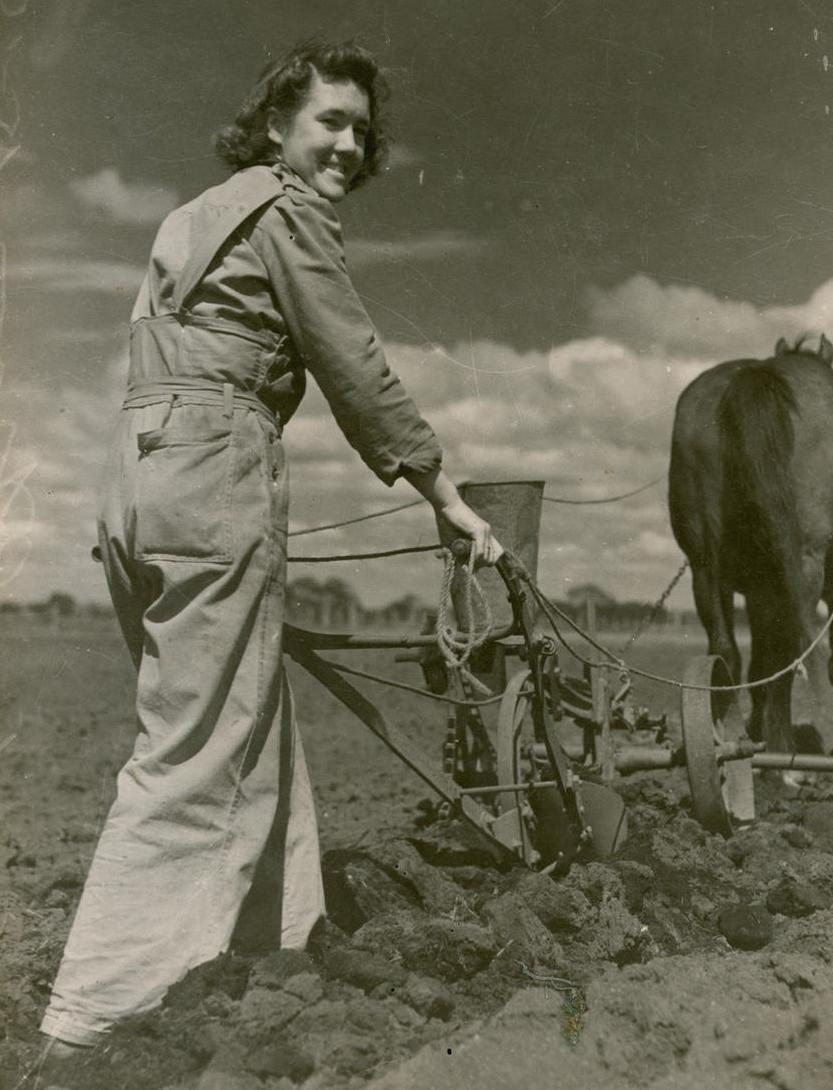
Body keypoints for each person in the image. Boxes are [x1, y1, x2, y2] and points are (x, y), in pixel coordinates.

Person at [38, 37, 500, 1068]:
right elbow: (352, 363)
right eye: (330, 120)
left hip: (137, 472)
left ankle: (268, 949)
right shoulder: (286, 211)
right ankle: (93, 1024)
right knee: (198, 744)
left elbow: (156, 356)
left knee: (245, 713)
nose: (348, 144)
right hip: (215, 464)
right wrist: (442, 490)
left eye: (362, 133)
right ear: (275, 124)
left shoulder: (192, 216)